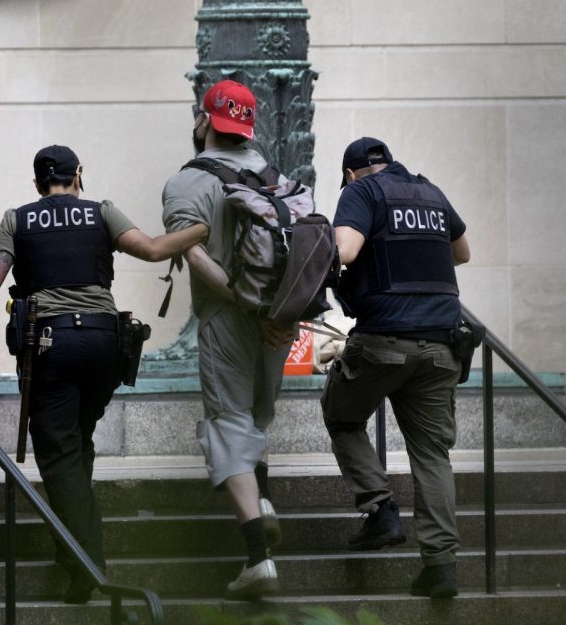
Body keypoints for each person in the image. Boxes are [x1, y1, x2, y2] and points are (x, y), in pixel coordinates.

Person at [0, 144, 208, 604]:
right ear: (79, 176)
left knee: (59, 455)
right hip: (102, 343)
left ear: (37, 184)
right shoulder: (101, 212)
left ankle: (86, 562)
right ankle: (70, 545)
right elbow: (151, 250)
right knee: (78, 444)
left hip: (50, 346)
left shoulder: (17, 219)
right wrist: (202, 229)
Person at [161, 80, 296, 600]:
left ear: (203, 120)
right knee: (258, 417)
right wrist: (278, 312)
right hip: (278, 321)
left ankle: (258, 559)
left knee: (228, 423)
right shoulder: (272, 174)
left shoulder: (187, 183)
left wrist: (247, 305)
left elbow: (194, 256)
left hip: (228, 315)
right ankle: (262, 501)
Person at [321, 136, 472, 599]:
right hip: (444, 342)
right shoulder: (429, 191)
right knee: (431, 455)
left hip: (384, 339)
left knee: (342, 414)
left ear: (349, 173)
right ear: (389, 162)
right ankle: (441, 567)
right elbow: (461, 252)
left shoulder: (361, 192)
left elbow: (344, 251)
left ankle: (380, 509)